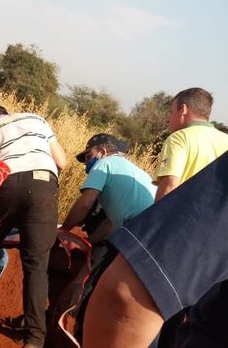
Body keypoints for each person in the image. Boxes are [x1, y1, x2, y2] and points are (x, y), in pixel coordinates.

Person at [81, 88, 228, 347]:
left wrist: (154, 237)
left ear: (183, 110)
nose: (169, 120)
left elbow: (170, 185)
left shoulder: (181, 138)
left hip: (174, 244)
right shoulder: (224, 142)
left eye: (171, 112)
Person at [0, 103, 67, 348]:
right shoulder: (36, 119)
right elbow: (62, 162)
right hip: (43, 185)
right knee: (36, 265)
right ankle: (34, 339)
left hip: (7, 183)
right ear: (8, 112)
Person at [62, 133, 156, 242]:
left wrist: (63, 230)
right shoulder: (133, 169)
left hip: (135, 230)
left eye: (88, 156)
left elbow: (85, 204)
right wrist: (89, 243)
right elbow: (110, 223)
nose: (86, 163)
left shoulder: (103, 163)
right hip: (151, 230)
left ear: (102, 152)